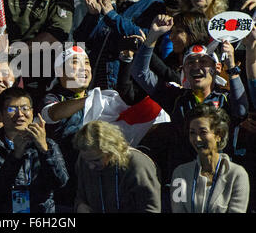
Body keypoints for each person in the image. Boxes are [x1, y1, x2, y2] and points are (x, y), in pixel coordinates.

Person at [131, 14, 249, 187]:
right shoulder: (176, 97)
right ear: (183, 70)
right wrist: (152, 37)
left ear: (216, 68)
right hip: (183, 181)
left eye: (203, 62)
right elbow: (140, 74)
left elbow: (241, 111)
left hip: (220, 181)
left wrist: (231, 68)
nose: (196, 67)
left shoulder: (224, 98)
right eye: (190, 63)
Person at [74, 0, 166, 90]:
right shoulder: (106, 1)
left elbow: (144, 37)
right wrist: (93, 15)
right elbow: (81, 40)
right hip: (98, 84)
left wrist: (112, 15)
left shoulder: (152, 4)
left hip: (130, 87)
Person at [0, 87, 69, 213]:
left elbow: (60, 182)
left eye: (25, 108)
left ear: (32, 113)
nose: (20, 114)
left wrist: (44, 151)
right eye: (11, 109)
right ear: (0, 115)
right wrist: (16, 155)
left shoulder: (48, 144)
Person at [39, 45, 91, 212]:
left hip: (94, 187)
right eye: (76, 62)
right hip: (62, 192)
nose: (84, 67)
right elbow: (53, 114)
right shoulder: (51, 97)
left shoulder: (98, 97)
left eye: (87, 62)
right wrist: (88, 101)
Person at [170, 104, 250, 213]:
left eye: (203, 132)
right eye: (192, 133)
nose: (197, 139)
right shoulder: (180, 174)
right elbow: (177, 210)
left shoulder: (237, 175)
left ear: (219, 135)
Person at [73, 120, 161, 213]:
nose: (91, 166)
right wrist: (80, 205)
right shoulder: (84, 160)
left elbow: (151, 208)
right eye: (87, 161)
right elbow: (81, 195)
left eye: (97, 160)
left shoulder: (137, 165)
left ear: (112, 151)